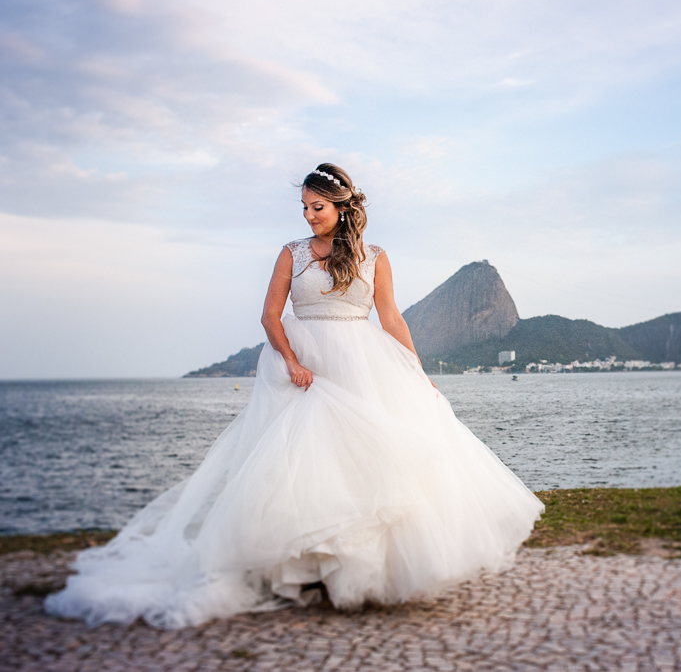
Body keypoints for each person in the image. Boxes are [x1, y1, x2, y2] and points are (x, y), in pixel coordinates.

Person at [46, 164, 545, 629]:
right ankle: (305, 568)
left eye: (317, 207)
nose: (309, 216)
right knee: (300, 464)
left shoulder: (376, 258)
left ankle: (354, 570)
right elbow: (269, 315)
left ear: (342, 207)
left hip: (363, 362)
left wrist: (416, 370)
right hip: (306, 361)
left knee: (368, 462)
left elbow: (391, 318)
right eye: (304, 208)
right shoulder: (293, 252)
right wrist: (291, 361)